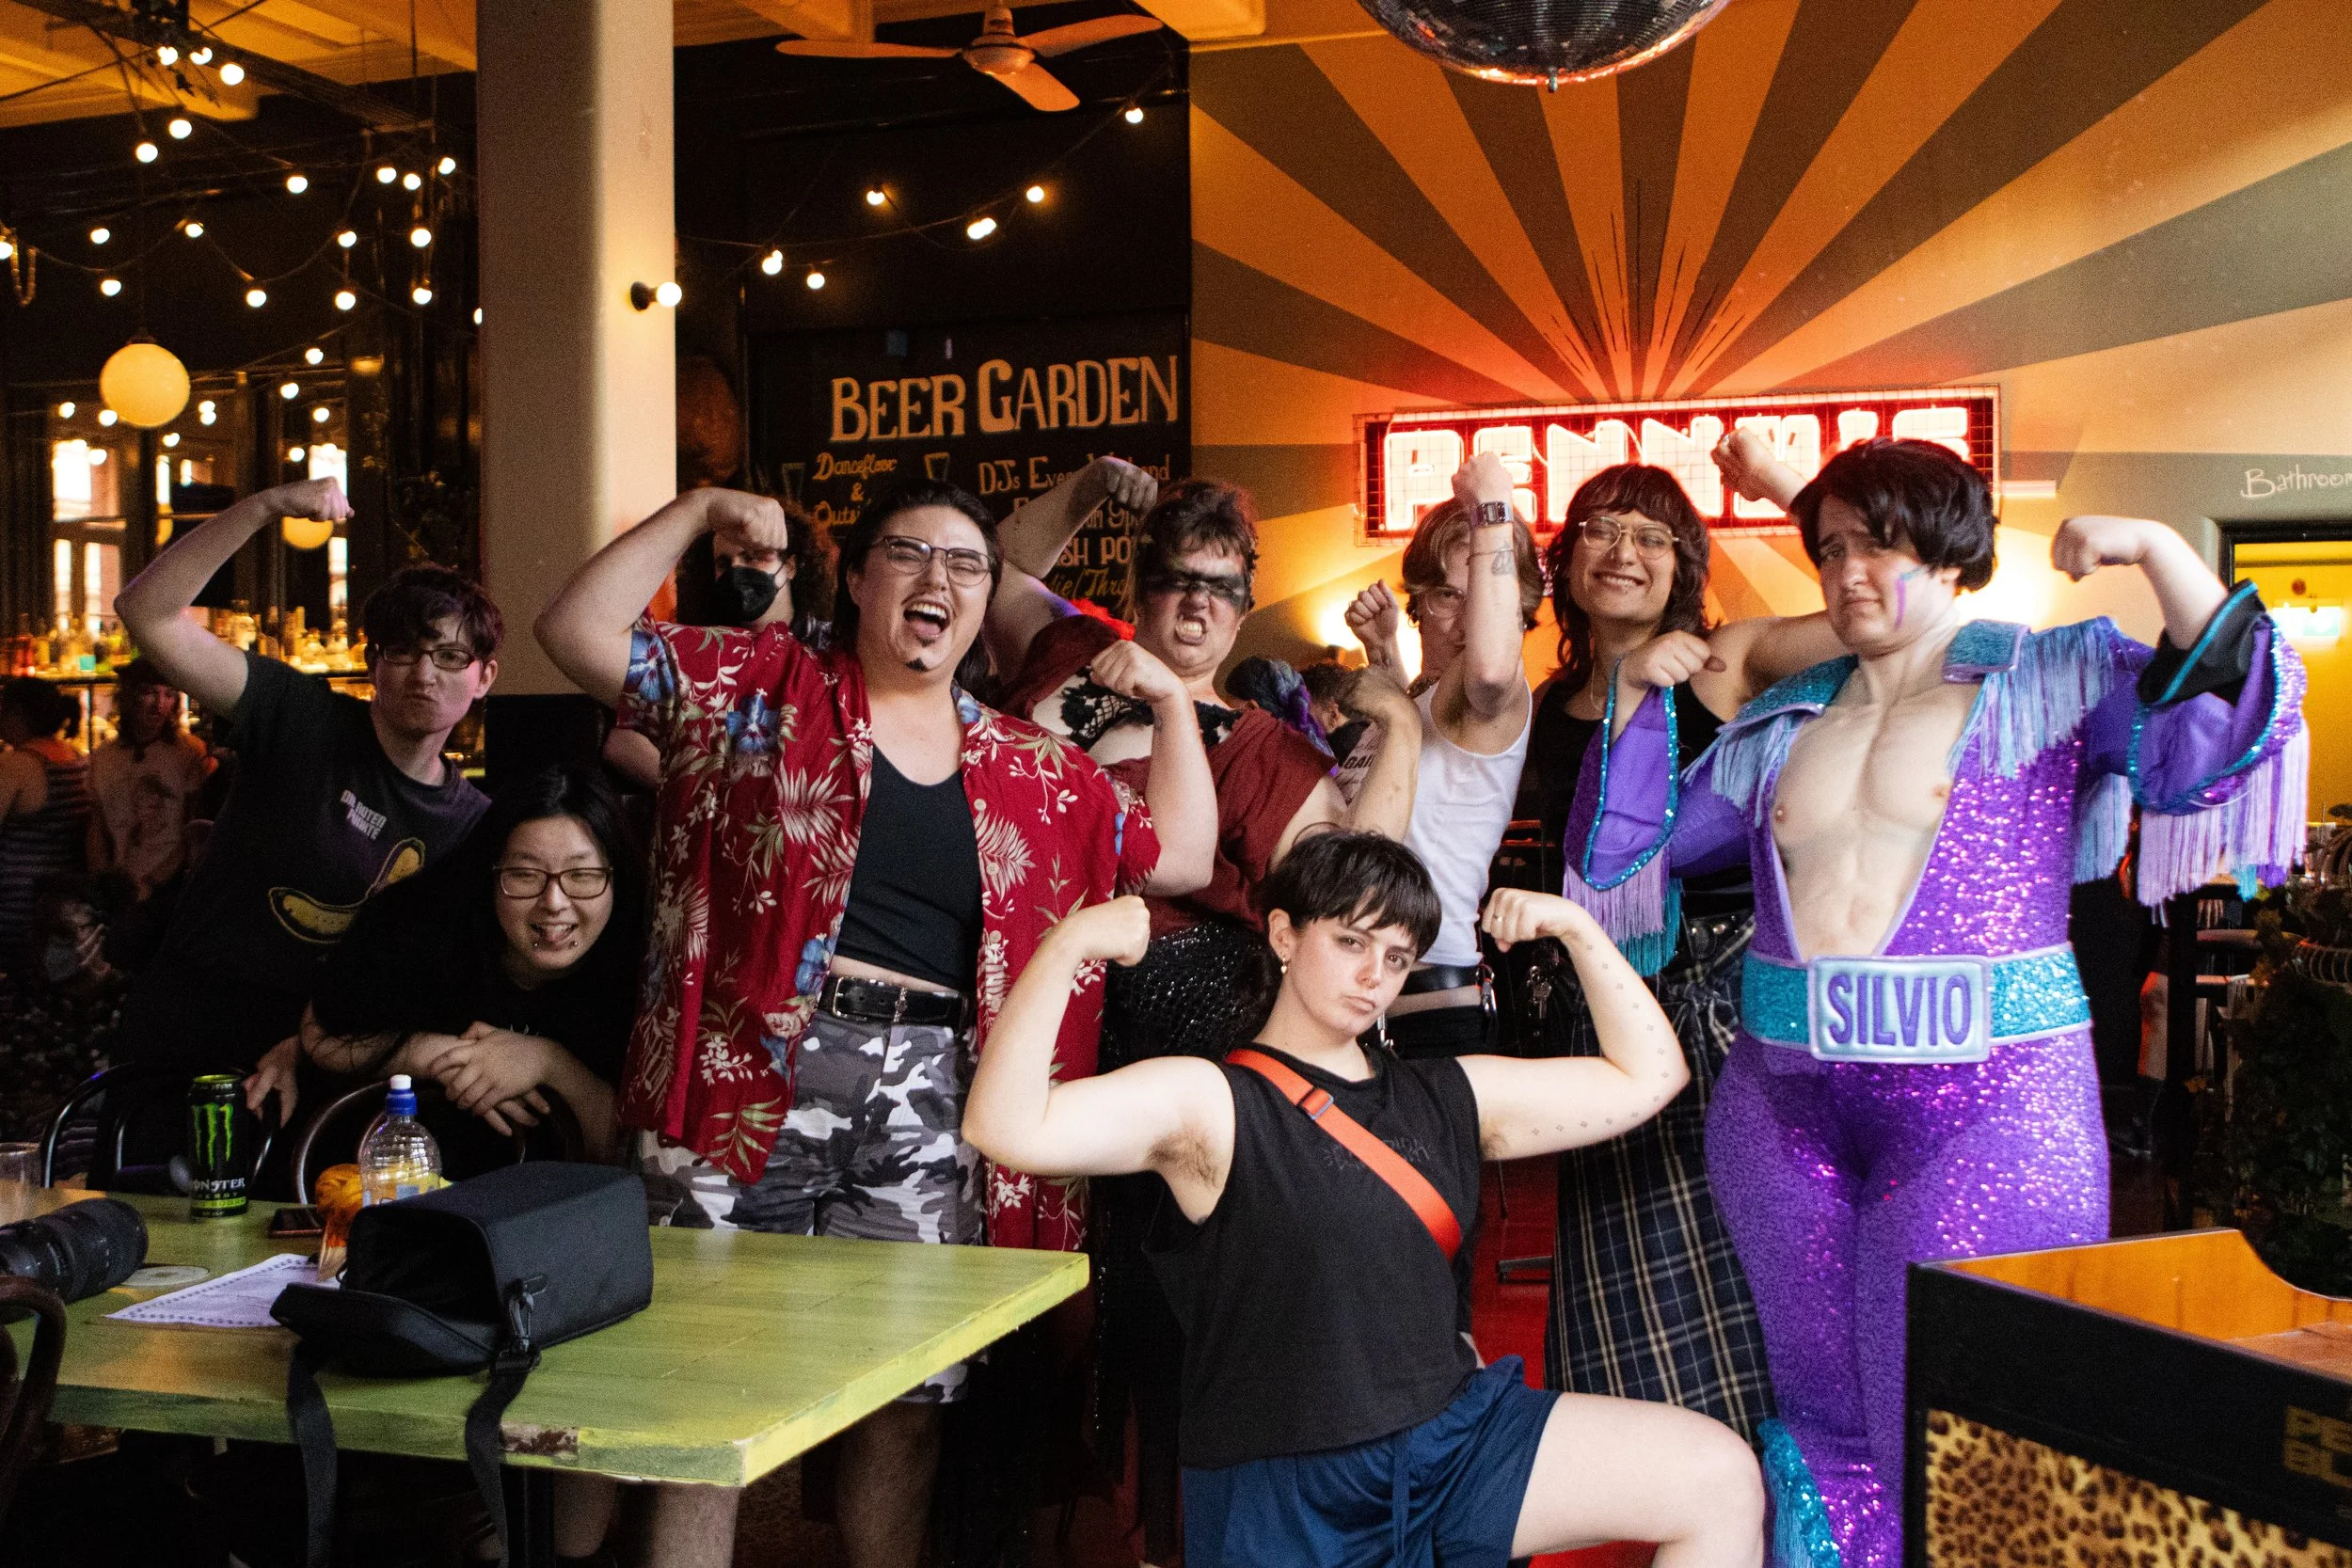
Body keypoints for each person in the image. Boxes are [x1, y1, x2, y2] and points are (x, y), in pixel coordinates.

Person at [1569, 438, 2308, 1566]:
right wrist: (1630, 701)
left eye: (1880, 543)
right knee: (1820, 1421)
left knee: (1979, 1420)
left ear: (1953, 550)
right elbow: (1627, 858)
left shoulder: (2055, 678)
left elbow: (2211, 722)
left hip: (1992, 1104)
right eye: (1828, 549)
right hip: (1781, 1109)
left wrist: (2161, 552)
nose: (1847, 571)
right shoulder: (1780, 723)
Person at [534, 479, 1215, 1568]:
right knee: (697, 1394)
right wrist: (701, 507)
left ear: (988, 597)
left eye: (966, 565)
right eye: (908, 553)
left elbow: (1176, 853)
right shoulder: (758, 690)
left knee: (903, 1395)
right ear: (853, 577)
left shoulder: (1025, 766)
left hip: (931, 1093)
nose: (937, 580)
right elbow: (571, 630)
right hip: (744, 1078)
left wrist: (1174, 702)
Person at [963, 830, 1765, 1568]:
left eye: (1395, 955)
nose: (1371, 975)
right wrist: (1069, 943)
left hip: (1451, 1444)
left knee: (1717, 1478)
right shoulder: (1211, 1101)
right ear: (1284, 934)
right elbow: (1006, 1126)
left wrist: (1578, 929)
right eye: (1349, 940)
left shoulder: (1446, 1093)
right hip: (1286, 1491)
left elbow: (1650, 1074)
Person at [990, 467, 1424, 1563]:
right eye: (1175, 578)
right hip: (1011, 1002)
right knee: (993, 1323)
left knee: (1145, 1326)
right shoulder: (1058, 656)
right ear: (1136, 587)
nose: (1195, 604)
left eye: (1221, 588)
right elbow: (998, 566)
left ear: (1244, 606)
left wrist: (1400, 717)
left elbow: (1356, 890)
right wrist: (1090, 486)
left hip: (1167, 1036)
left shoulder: (1265, 750)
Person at [1520, 438, 1843, 1445]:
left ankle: (1771, 1497)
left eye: (1652, 534)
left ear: (1685, 562)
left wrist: (1790, 489)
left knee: (1749, 1254)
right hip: (1601, 1011)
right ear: (1565, 560)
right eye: (1601, 530)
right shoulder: (1541, 707)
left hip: (1729, 1003)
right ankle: (1669, 1494)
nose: (1623, 551)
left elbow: (1859, 617)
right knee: (1624, 1265)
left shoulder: (1728, 657)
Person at [109, 477, 497, 1121]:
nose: (424, 673)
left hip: (331, 1060)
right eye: (401, 651)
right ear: (372, 664)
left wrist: (312, 1043)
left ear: (485, 675)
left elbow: (429, 974)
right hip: (192, 1022)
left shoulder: (470, 823)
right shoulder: (301, 717)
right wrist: (263, 508)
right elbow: (146, 611)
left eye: (450, 655)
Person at [292, 765, 642, 1164]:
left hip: (559, 1216)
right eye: (524, 875)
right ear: (489, 875)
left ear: (618, 879)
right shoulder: (422, 928)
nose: (554, 902)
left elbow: (621, 1155)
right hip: (393, 1200)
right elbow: (323, 1029)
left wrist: (550, 1063)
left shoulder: (641, 973)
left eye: (583, 874)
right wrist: (443, 1056)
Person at [1341, 452, 1542, 1057]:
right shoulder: (1425, 698)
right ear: (1421, 602)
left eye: (1483, 596)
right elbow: (1414, 785)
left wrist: (1493, 505)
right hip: (1362, 991)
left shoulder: (1496, 696)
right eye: (1448, 597)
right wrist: (1383, 658)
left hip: (1425, 999)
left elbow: (1484, 667)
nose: (1464, 620)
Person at [603, 490, 835, 792]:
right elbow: (621, 741)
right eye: (724, 563)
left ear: (790, 567)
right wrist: (704, 788)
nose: (738, 571)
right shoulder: (695, 649)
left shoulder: (832, 646)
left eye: (753, 557)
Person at [0, 875, 129, 1145]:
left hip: (85, 1142)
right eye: (39, 931)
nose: (47, 944)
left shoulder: (131, 1001)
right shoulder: (15, 995)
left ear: (99, 933)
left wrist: (93, 994)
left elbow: (114, 1090)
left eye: (61, 932)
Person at [87, 657, 211, 906]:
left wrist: (154, 882)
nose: (159, 705)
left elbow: (193, 828)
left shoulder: (187, 753)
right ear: (129, 697)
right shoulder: (104, 756)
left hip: (170, 885)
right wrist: (101, 880)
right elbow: (97, 828)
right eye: (149, 693)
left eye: (169, 694)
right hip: (120, 883)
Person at [0, 679, 93, 970]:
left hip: (17, 909)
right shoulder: (75, 758)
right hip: (64, 906)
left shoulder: (18, 765)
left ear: (16, 714)